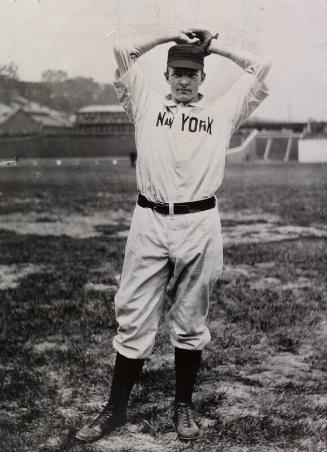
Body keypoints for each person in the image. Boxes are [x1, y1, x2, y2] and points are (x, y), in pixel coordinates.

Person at [76, 28, 271, 443]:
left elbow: (261, 67)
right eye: (177, 72)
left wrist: (212, 47)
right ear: (166, 75)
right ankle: (115, 409)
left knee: (189, 319)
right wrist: (168, 35)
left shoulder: (221, 113)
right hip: (149, 220)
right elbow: (121, 49)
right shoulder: (145, 105)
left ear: (202, 78)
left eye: (192, 73)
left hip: (199, 223)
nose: (184, 80)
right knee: (132, 317)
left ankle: (182, 406)